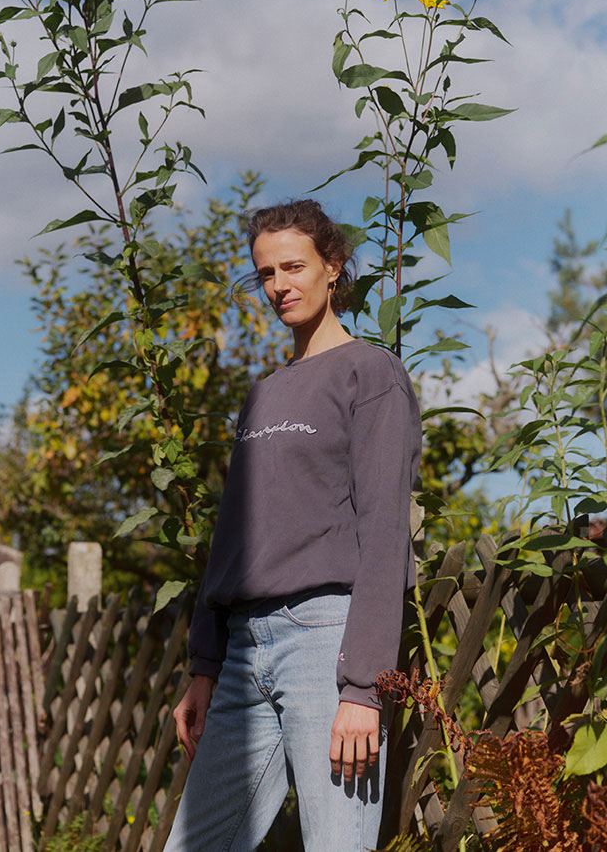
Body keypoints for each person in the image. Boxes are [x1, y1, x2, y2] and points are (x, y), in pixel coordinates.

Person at [164, 199, 421, 852]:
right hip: (246, 650)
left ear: (332, 266)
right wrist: (205, 662)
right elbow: (235, 534)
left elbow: (387, 529)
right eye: (266, 273)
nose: (279, 284)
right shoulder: (265, 393)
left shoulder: (371, 372)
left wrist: (363, 684)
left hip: (326, 646)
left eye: (294, 266)